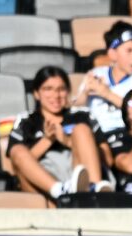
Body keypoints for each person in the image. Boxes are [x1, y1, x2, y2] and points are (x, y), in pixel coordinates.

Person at [8, 66, 113, 200]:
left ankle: (94, 192)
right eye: (48, 89)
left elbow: (108, 160)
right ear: (36, 93)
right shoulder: (26, 121)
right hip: (47, 184)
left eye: (61, 89)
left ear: (68, 91)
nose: (56, 95)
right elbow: (17, 167)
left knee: (81, 129)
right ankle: (61, 190)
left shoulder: (83, 115)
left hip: (82, 173)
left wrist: (69, 142)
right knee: (16, 150)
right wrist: (47, 140)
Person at [74, 21, 132, 135]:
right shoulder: (96, 73)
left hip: (127, 134)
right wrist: (85, 92)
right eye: (129, 51)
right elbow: (77, 106)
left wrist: (106, 93)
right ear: (112, 54)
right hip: (97, 135)